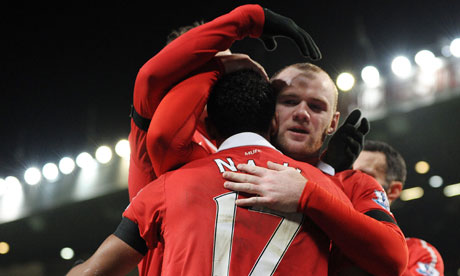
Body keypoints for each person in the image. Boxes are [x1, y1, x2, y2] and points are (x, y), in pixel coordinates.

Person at [68, 68, 362, 275]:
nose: (301, 113)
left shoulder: (168, 187)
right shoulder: (323, 190)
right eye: (289, 101)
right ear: (271, 120)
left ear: (208, 127)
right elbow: (385, 259)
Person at [127, 4, 321, 274]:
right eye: (216, 69)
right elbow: (150, 77)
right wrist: (248, 21)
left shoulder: (233, 142)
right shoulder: (152, 131)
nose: (225, 78)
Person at [353, 140, 445, 276]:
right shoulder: (323, 239)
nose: (351, 180)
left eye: (364, 175)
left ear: (393, 190)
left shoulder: (420, 253)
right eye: (349, 173)